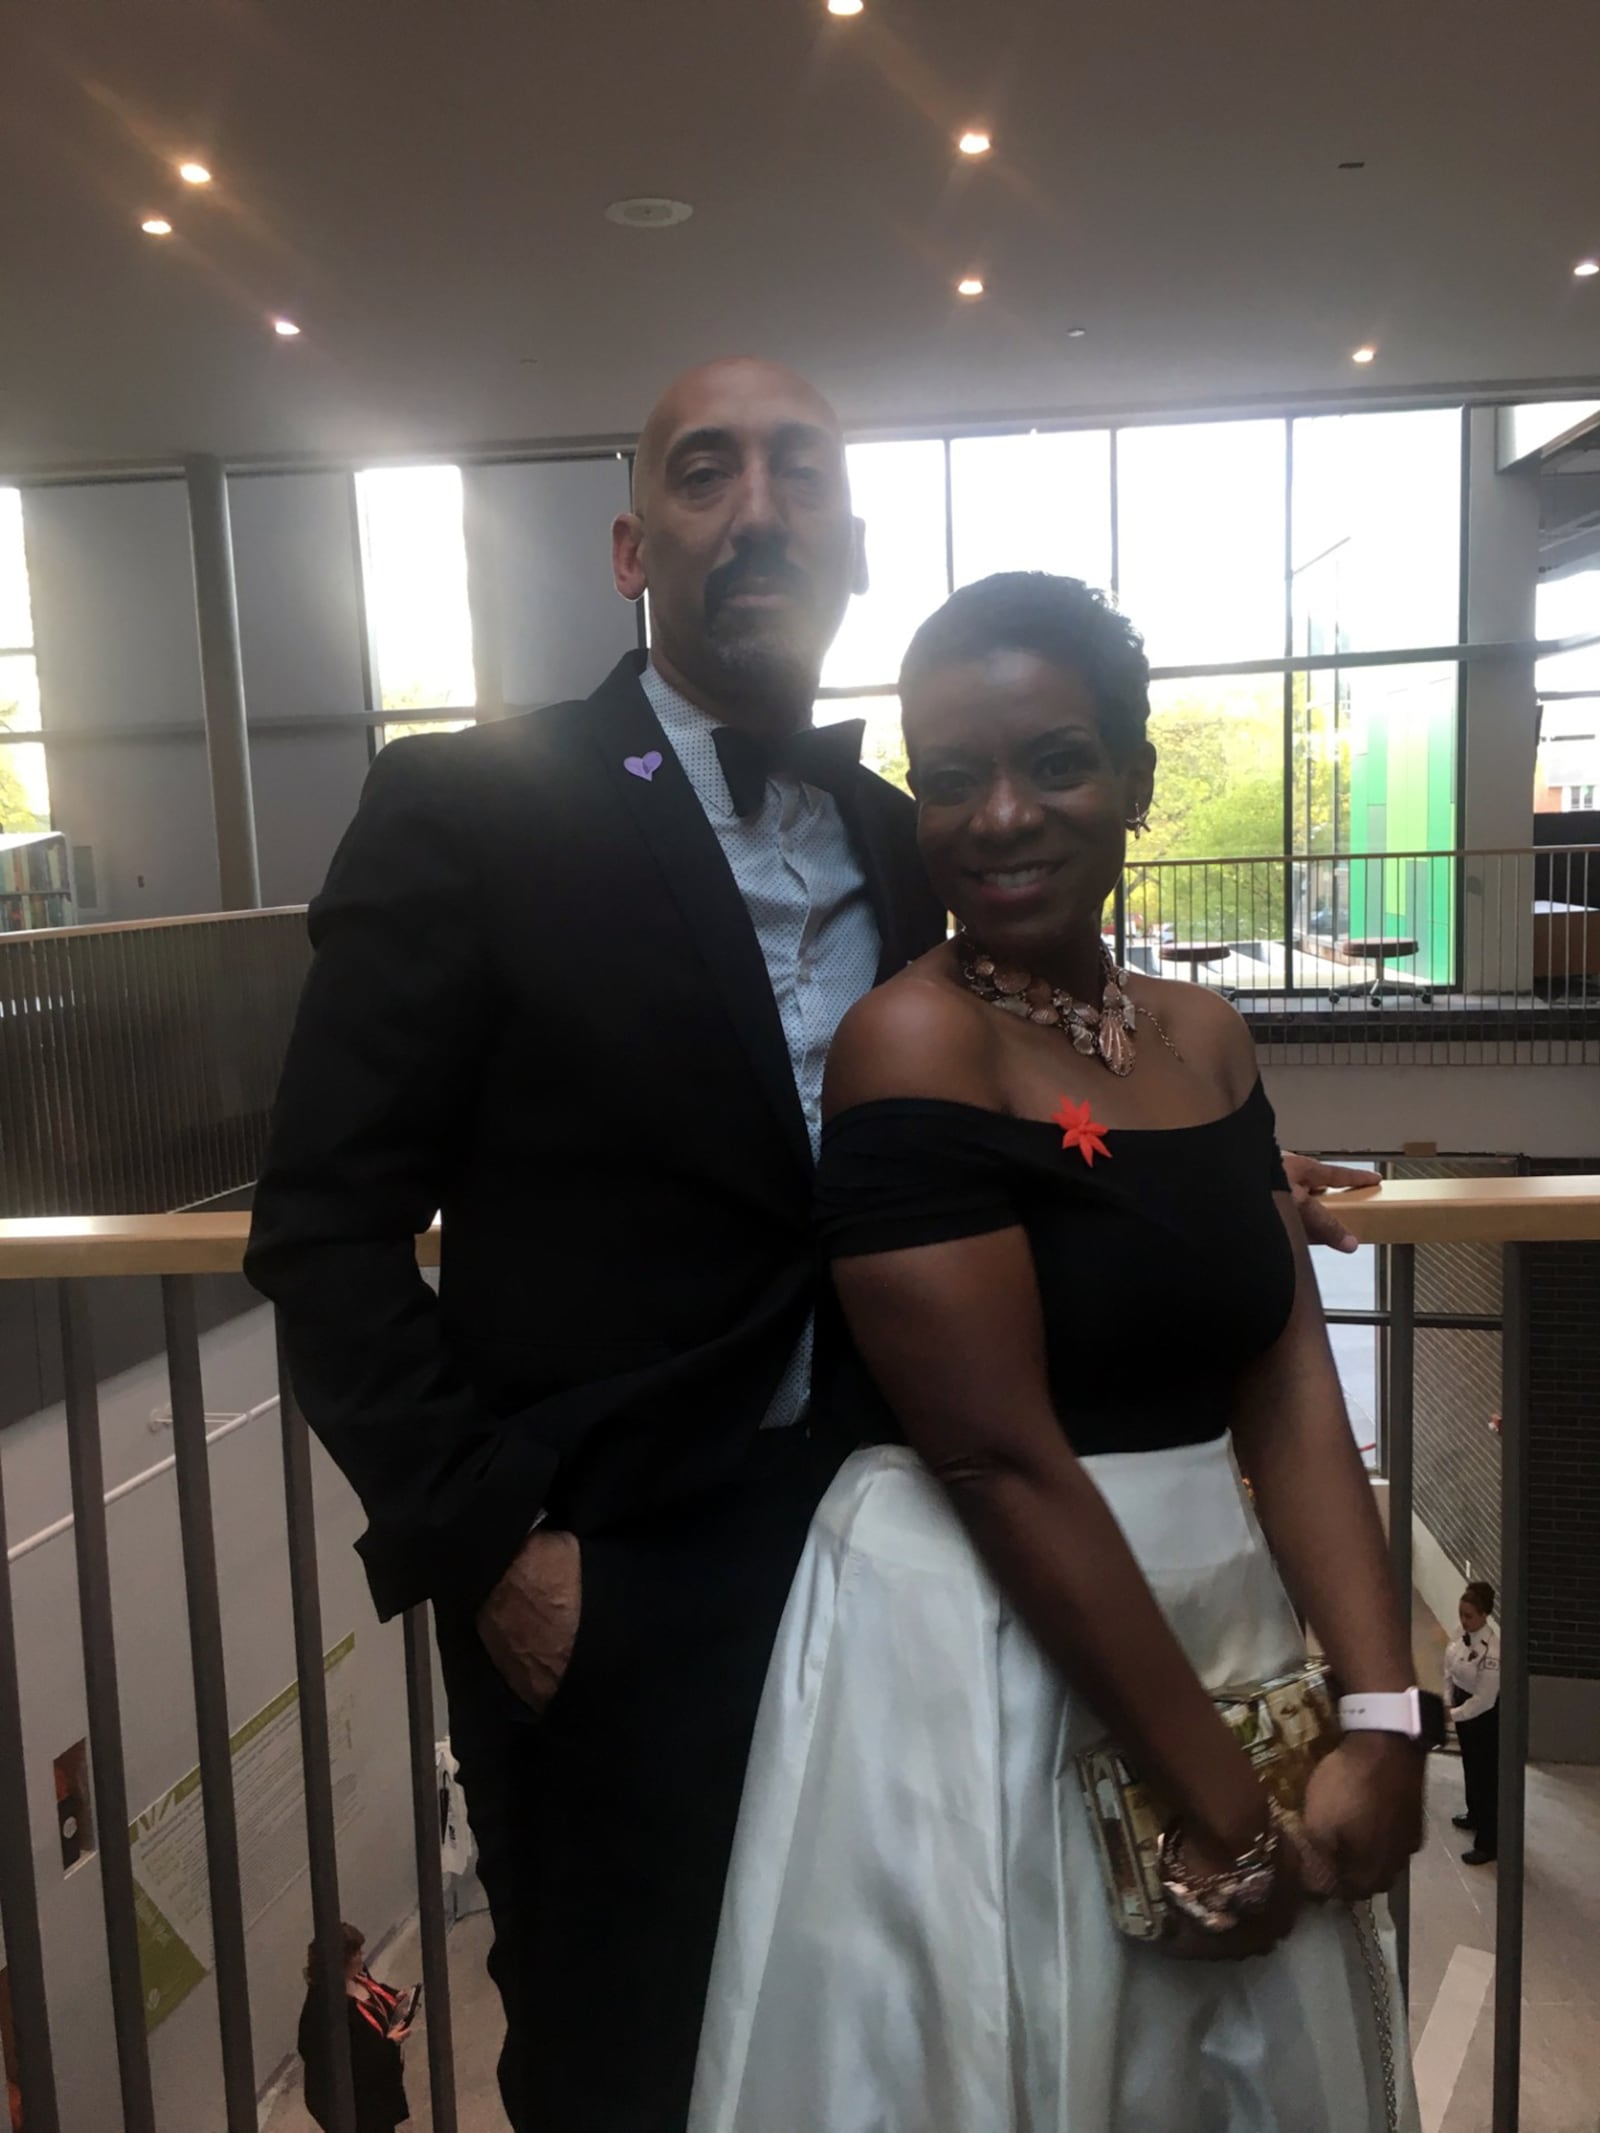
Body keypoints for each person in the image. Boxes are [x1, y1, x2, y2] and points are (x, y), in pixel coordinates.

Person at [245, 359, 1378, 2133]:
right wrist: (495, 1552)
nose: (758, 511)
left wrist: (1184, 1184)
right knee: (625, 2065)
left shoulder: (904, 823)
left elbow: (1000, 1083)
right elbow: (324, 1226)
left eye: (800, 476)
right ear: (634, 545)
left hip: (906, 1566)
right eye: (706, 473)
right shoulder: (469, 805)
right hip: (617, 1578)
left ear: (853, 546)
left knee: (901, 2056)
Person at [692, 573, 1424, 2133]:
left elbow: (1290, 1378)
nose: (1002, 815)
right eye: (952, 778)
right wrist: (1224, 1803)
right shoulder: (914, 1040)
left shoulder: (1205, 1036)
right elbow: (997, 1457)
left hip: (1219, 1610)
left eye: (1057, 762)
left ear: (1137, 780)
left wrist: (1381, 1713)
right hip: (985, 1638)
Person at [297, 1923, 411, 2133]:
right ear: (341, 1961)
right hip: (357, 2103)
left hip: (377, 2091)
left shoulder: (356, 1975)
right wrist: (389, 2045)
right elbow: (351, 2060)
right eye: (356, 1953)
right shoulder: (324, 2008)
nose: (362, 1956)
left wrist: (393, 1997)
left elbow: (372, 1992)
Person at [1446, 1579, 1501, 1864]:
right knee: (1470, 1765)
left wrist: (1453, 1714)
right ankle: (1474, 1813)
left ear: (1484, 1615)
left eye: (1469, 1616)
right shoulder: (1460, 1634)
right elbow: (1450, 1669)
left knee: (1486, 1775)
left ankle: (1488, 1842)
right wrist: (1448, 1700)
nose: (1463, 1621)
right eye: (1461, 1614)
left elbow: (1484, 1700)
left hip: (1483, 1717)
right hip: (1462, 1706)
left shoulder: (1492, 1651)